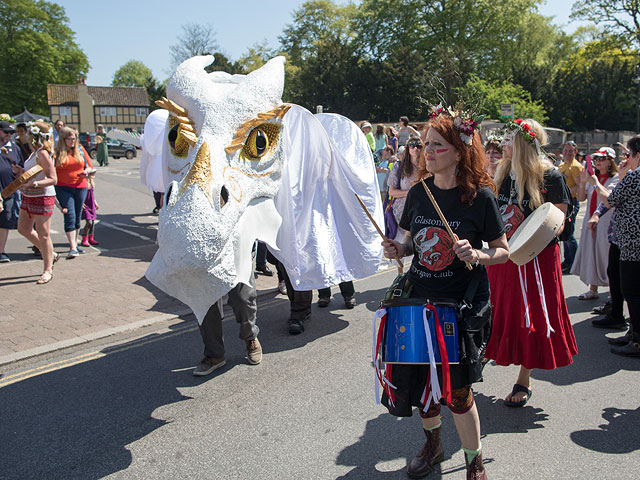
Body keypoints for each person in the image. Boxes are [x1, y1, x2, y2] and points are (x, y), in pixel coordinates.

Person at [381, 108, 508, 479]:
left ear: (459, 149)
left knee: (458, 392)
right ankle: (434, 447)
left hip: (459, 307)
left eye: (436, 145)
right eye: (424, 145)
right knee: (423, 383)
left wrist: (478, 253)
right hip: (420, 302)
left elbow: (503, 251)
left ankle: (474, 461)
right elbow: (408, 241)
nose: (427, 152)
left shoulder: (479, 198)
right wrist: (397, 249)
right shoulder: (419, 193)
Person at [485, 119, 577, 407]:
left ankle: (524, 378)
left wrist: (530, 238)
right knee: (497, 309)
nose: (503, 145)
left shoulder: (551, 176)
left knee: (533, 316)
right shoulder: (503, 173)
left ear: (524, 143)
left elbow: (559, 222)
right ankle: (484, 357)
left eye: (509, 139)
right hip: (505, 256)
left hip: (536, 259)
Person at [585, 135, 640, 356]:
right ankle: (633, 334)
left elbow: (610, 200)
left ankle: (637, 340)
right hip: (629, 242)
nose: (627, 159)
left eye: (629, 154)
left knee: (632, 292)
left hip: (632, 245)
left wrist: (595, 182)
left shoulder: (634, 177)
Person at [14, 121, 59, 283]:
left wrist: (33, 184)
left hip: (43, 196)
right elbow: (34, 172)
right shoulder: (35, 153)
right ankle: (50, 253)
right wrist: (21, 172)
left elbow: (53, 179)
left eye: (28, 133)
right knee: (23, 229)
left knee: (44, 234)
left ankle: (48, 269)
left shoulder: (43, 154)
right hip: (29, 195)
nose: (25, 135)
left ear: (35, 136)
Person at [572, 148, 618, 300]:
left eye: (602, 159)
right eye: (596, 159)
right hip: (589, 219)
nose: (598, 161)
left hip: (606, 222)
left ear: (610, 161)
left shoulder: (616, 178)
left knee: (606, 255)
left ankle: (613, 293)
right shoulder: (592, 179)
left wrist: (595, 182)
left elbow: (610, 199)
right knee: (591, 252)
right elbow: (580, 198)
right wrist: (583, 183)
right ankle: (593, 288)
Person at [194, 277, 262, 375]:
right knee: (205, 303)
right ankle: (214, 355)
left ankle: (250, 337)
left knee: (242, 298)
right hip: (204, 265)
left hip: (237, 262)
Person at [54, 127, 93, 258]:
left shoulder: (80, 150)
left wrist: (86, 172)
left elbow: (89, 166)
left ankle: (75, 245)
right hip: (63, 187)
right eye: (70, 139)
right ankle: (72, 247)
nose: (73, 141)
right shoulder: (56, 152)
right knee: (69, 214)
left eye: (74, 138)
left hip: (80, 186)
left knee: (77, 215)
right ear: (63, 139)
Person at [387, 138, 422, 242]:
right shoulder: (399, 166)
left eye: (419, 146)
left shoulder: (428, 167)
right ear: (407, 148)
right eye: (412, 145)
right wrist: (411, 192)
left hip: (422, 213)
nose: (415, 148)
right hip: (401, 215)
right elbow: (391, 192)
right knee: (400, 247)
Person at [0, 121, 26, 262]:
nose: (9, 135)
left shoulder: (14, 148)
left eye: (11, 133)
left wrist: (19, 171)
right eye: (6, 132)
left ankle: (1, 251)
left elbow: (21, 168)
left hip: (9, 191)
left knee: (5, 221)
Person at [558, 140, 583, 273]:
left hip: (571, 201)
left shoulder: (576, 167)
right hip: (564, 201)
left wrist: (565, 191)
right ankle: (568, 260)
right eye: (565, 150)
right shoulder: (562, 166)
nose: (567, 153)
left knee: (569, 233)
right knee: (565, 234)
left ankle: (574, 261)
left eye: (570, 151)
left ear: (575, 152)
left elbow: (579, 186)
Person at [80, 171, 99, 247]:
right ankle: (84, 238)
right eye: (93, 173)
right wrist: (81, 203)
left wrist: (95, 202)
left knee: (93, 222)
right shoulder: (84, 183)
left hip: (91, 204)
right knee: (89, 222)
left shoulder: (91, 183)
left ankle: (91, 237)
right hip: (85, 204)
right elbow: (81, 194)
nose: (94, 174)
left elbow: (92, 194)